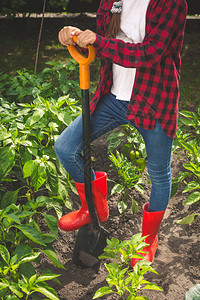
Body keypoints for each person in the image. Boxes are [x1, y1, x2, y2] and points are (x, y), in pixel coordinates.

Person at [55, 0, 188, 267]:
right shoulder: (114, 1)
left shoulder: (173, 4)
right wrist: (76, 36)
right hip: (113, 97)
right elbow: (102, 39)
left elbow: (150, 53)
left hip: (153, 101)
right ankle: (94, 208)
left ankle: (148, 240)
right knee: (65, 147)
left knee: (159, 174)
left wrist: (100, 43)